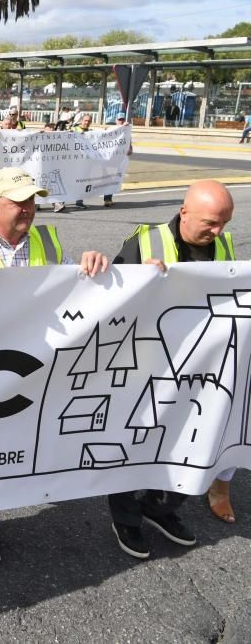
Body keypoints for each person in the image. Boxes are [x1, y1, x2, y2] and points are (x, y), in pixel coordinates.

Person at [0, 168, 109, 564]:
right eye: (19, 201)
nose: (29, 209)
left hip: (39, 363)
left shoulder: (47, 239)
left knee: (31, 438)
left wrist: (92, 266)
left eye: (32, 200)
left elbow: (73, 289)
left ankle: (35, 488)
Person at [108, 180, 235, 553]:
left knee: (190, 442)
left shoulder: (223, 246)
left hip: (201, 369)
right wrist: (138, 280)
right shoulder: (144, 242)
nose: (219, 232)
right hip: (147, 370)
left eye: (224, 223)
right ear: (184, 213)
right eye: (211, 223)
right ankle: (127, 517)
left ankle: (161, 507)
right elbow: (110, 303)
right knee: (136, 442)